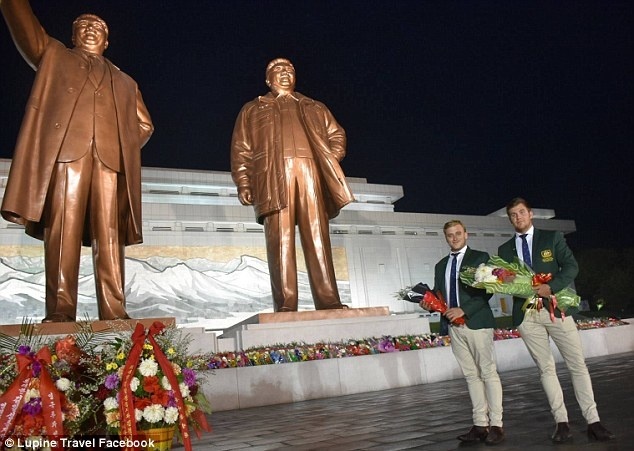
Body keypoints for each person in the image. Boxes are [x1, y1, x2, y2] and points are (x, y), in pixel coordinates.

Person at [1, 0, 154, 322]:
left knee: (109, 236)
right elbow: (27, 30)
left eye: (98, 28)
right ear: (72, 35)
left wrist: (123, 144)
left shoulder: (125, 81)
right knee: (63, 231)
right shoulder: (55, 57)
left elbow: (145, 125)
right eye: (83, 26)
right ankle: (60, 308)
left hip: (110, 163)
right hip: (66, 156)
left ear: (106, 41)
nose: (90, 30)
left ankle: (114, 309)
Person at [231, 58, 353, 312]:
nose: (285, 73)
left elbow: (336, 134)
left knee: (317, 237)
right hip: (274, 177)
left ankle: (328, 299)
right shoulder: (254, 109)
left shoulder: (313, 106)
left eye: (289, 70)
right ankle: (286, 304)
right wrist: (244, 182)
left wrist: (330, 158)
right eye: (278, 70)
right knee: (281, 241)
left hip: (310, 172)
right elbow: (242, 149)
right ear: (268, 79)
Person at [498, 197, 614, 442]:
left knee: (577, 365)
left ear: (530, 214)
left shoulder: (551, 238)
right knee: (545, 369)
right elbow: (504, 282)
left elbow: (571, 267)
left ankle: (593, 420)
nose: (517, 218)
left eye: (520, 213)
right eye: (512, 215)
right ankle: (561, 422)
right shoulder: (504, 250)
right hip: (527, 315)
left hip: (556, 310)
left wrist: (551, 286)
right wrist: (502, 281)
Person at [421, 220, 505, 445]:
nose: (454, 238)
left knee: (488, 372)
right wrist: (430, 303)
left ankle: (496, 424)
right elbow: (439, 294)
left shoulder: (480, 258)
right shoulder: (441, 265)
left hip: (477, 322)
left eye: (458, 233)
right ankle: (480, 425)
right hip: (454, 327)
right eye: (450, 235)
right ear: (446, 238)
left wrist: (464, 309)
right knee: (470, 376)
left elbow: (488, 290)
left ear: (466, 234)